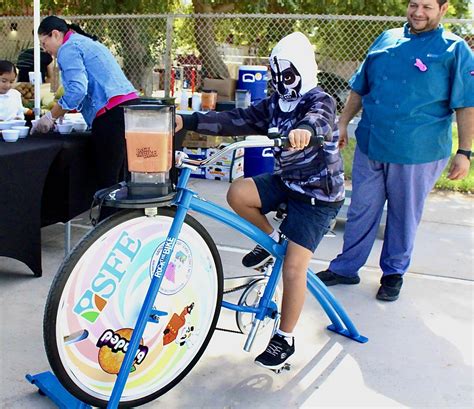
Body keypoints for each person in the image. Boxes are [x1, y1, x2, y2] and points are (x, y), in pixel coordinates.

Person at [176, 32, 345, 370]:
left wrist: (305, 132)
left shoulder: (318, 99)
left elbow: (320, 121)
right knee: (238, 192)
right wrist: (190, 119)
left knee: (294, 268)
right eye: (276, 72)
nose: (281, 81)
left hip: (316, 196)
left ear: (302, 71)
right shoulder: (273, 104)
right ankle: (270, 241)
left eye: (288, 73)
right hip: (286, 182)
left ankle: (285, 338)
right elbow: (235, 120)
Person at [317, 0, 474, 302]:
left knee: (403, 215)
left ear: (444, 9)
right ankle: (346, 268)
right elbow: (360, 87)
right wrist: (343, 122)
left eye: (427, 7)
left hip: (418, 149)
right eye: (414, 5)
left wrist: (464, 151)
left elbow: (466, 104)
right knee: (362, 210)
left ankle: (393, 274)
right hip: (372, 143)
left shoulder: (455, 50)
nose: (418, 13)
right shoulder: (386, 38)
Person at [32, 16, 139, 196]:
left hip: (111, 115)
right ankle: (124, 223)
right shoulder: (84, 42)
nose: (45, 49)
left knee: (108, 184)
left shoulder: (67, 49)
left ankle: (109, 223)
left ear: (55, 35)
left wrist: (51, 116)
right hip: (129, 108)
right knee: (122, 179)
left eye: (44, 43)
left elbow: (77, 90)